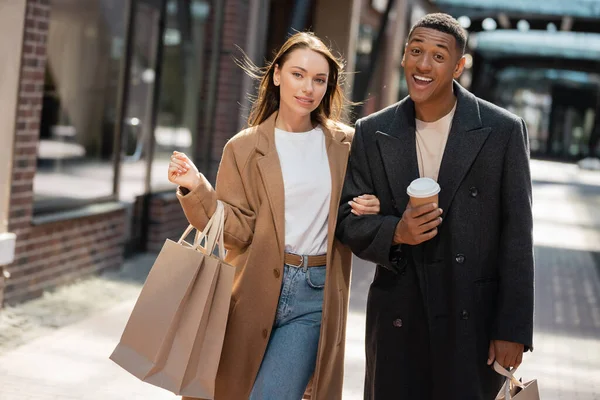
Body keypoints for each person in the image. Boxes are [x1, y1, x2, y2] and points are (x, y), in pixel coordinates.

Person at [168, 32, 381, 400]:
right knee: (229, 391)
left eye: (319, 80)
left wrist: (373, 207)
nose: (308, 88)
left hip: (315, 295)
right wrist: (196, 189)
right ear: (277, 74)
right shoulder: (244, 147)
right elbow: (236, 232)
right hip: (251, 289)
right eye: (298, 74)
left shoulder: (347, 145)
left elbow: (360, 213)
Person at [336, 13, 534, 400]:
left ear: (459, 66)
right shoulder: (373, 131)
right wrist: (396, 231)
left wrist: (512, 329)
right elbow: (347, 219)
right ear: (404, 57)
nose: (423, 65)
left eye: (438, 56)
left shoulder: (502, 131)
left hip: (471, 317)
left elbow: (517, 236)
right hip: (399, 314)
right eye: (415, 51)